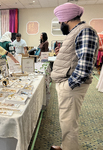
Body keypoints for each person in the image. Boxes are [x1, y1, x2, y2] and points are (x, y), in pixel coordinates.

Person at [50, 3, 99, 150]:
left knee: (69, 123)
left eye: (60, 22)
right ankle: (66, 146)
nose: (60, 25)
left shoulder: (85, 31)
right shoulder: (77, 31)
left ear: (66, 20)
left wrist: (68, 85)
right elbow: (74, 57)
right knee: (66, 121)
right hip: (68, 84)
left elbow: (85, 66)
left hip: (71, 86)